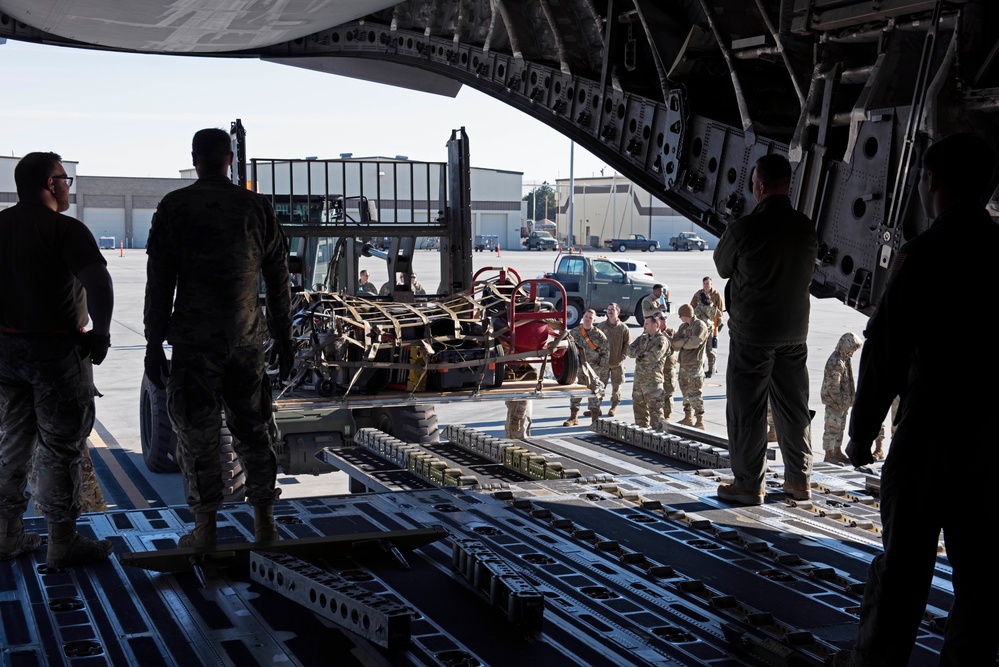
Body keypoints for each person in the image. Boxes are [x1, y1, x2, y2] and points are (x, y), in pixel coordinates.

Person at [844, 133, 999, 666]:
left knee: (905, 572)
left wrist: (862, 433)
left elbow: (886, 349)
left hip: (929, 436)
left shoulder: (923, 254)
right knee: (982, 582)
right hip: (991, 444)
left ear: (930, 182)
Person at [144, 128, 294, 550]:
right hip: (246, 342)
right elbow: (278, 282)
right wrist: (285, 340)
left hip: (194, 345)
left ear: (194, 158)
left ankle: (206, 530)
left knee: (197, 435)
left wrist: (154, 344)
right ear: (230, 159)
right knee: (253, 430)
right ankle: (265, 524)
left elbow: (160, 284)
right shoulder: (256, 207)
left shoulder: (175, 207)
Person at [0, 151, 115, 567]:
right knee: (60, 448)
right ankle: (61, 542)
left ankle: (6, 536)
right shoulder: (64, 230)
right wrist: (100, 336)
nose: (68, 186)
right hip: (56, 354)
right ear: (51, 184)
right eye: (66, 179)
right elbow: (98, 285)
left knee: (11, 444)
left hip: (6, 354)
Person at [714, 153, 818, 506]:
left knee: (747, 407)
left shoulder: (744, 229)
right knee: (793, 406)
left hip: (753, 333)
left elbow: (723, 266)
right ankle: (799, 480)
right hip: (795, 333)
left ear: (757, 186)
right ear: (787, 185)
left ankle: (748, 484)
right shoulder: (806, 227)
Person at [819, 332, 862, 465]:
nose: (853, 351)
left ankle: (837, 451)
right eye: (852, 348)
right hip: (835, 402)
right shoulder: (836, 362)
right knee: (832, 428)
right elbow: (833, 386)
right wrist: (838, 401)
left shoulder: (844, 359)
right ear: (845, 346)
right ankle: (829, 454)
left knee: (840, 427)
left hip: (842, 403)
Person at [563, 310, 608, 426]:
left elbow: (605, 353)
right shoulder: (574, 332)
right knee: (575, 393)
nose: (587, 319)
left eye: (590, 317)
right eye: (586, 317)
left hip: (593, 370)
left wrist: (600, 367)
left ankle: (595, 420)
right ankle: (573, 417)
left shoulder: (599, 335)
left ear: (594, 320)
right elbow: (567, 349)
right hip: (577, 368)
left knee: (594, 394)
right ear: (582, 317)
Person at [626, 313, 668, 429]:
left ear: (655, 325)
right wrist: (642, 353)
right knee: (639, 412)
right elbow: (629, 351)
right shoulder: (642, 338)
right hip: (639, 381)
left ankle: (659, 439)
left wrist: (640, 353)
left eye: (646, 323)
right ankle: (642, 436)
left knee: (656, 413)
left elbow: (653, 357)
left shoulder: (661, 340)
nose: (644, 325)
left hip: (653, 383)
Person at [673, 304, 710, 428]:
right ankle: (688, 417)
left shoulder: (699, 325)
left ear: (686, 314)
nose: (679, 317)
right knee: (685, 391)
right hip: (684, 364)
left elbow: (694, 343)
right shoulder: (683, 327)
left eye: (681, 315)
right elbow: (674, 344)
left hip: (694, 364)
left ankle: (700, 421)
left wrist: (683, 342)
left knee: (695, 392)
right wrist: (684, 342)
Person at [594, 303, 630, 417]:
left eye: (612, 310)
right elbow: (594, 342)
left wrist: (622, 357)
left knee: (616, 387)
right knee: (599, 387)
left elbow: (627, 345)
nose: (610, 311)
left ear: (618, 312)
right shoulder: (601, 326)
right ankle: (596, 408)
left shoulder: (623, 328)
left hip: (617, 364)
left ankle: (613, 407)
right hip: (603, 364)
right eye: (608, 309)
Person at [690, 276, 724, 378]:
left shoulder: (716, 294)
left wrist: (717, 327)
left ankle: (708, 368)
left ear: (711, 284)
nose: (706, 285)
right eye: (704, 283)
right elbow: (691, 306)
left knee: (707, 348)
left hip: (707, 329)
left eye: (708, 283)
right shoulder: (698, 294)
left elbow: (721, 309)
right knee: (709, 349)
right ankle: (711, 369)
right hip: (710, 327)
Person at [658, 313, 678, 423]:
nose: (664, 320)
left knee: (668, 392)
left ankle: (667, 415)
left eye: (665, 318)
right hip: (656, 368)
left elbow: (676, 346)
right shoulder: (653, 331)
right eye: (661, 318)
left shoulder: (671, 332)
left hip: (668, 366)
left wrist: (668, 338)